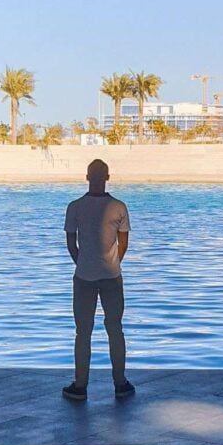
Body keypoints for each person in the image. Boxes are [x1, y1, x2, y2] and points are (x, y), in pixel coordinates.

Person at [62, 158, 135, 402]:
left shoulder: (75, 207)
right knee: (115, 329)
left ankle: (80, 385)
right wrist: (113, 262)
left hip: (84, 276)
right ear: (107, 178)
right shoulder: (119, 207)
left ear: (86, 177)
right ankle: (120, 383)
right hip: (112, 276)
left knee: (83, 332)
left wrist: (82, 262)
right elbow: (123, 243)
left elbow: (71, 242)